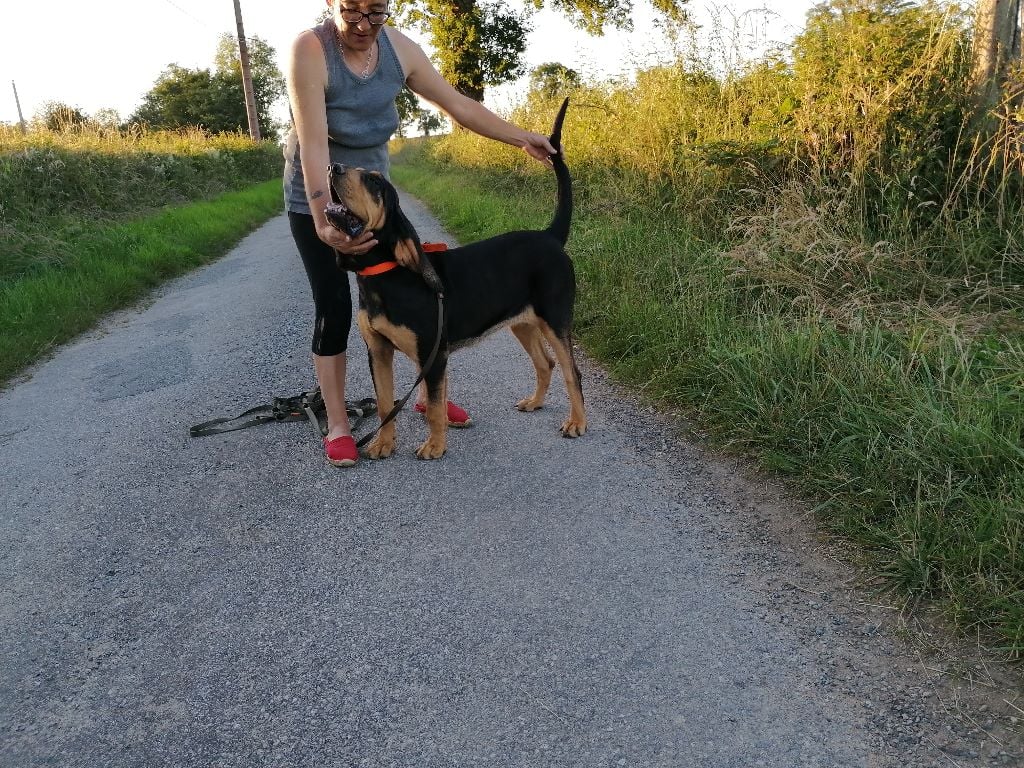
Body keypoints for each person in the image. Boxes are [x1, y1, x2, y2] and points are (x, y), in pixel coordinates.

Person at [284, 0, 558, 467]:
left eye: (377, 12)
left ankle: (424, 388)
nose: (364, 24)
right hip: (317, 192)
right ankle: (337, 422)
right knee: (334, 304)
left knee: (412, 291)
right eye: (352, 10)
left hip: (376, 199)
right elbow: (312, 141)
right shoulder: (311, 50)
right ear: (331, 3)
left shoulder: (399, 50)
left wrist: (519, 136)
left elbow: (457, 104)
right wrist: (322, 217)